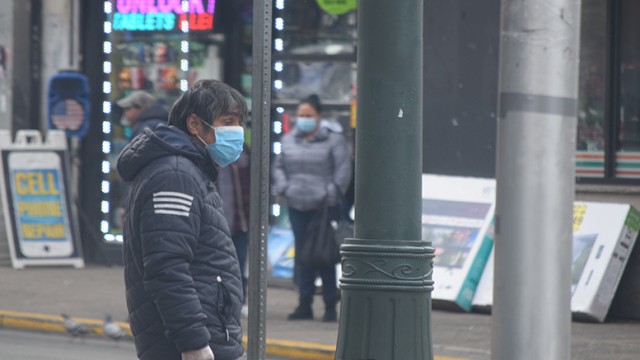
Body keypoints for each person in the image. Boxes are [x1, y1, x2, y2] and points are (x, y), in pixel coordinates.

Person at [117, 80, 247, 360]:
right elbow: (167, 266)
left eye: (239, 122)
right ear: (194, 124)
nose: (236, 131)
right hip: (190, 346)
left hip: (206, 336)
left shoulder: (190, 170)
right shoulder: (175, 175)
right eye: (227, 122)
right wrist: (195, 344)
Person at [272, 94, 352, 322]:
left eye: (309, 115)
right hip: (298, 205)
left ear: (319, 117)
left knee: (325, 255)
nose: (304, 119)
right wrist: (285, 186)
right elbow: (279, 166)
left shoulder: (333, 140)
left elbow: (343, 170)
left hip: (324, 207)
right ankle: (304, 302)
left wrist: (331, 193)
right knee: (304, 255)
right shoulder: (289, 140)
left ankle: (329, 305)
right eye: (301, 115)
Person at [217, 143, 251, 313]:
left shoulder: (244, 150)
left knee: (239, 261)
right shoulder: (209, 152)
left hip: (242, 220)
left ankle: (239, 299)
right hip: (220, 221)